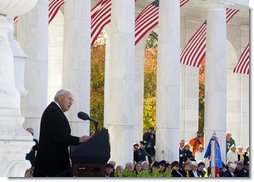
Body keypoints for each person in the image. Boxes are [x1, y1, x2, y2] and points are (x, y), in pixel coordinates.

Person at [33, 89, 90, 177]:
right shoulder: (53, 111)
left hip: (55, 165)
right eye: (69, 99)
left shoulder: (56, 111)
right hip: (51, 166)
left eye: (72, 100)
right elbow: (58, 135)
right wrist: (79, 139)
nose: (71, 102)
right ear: (60, 98)